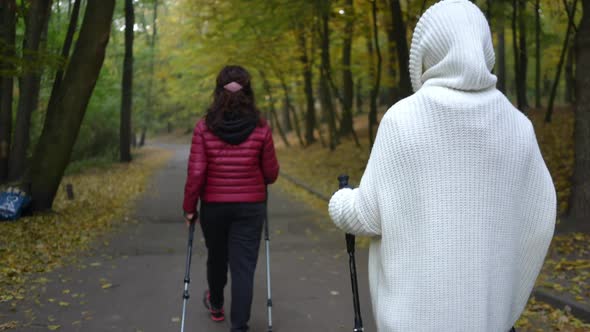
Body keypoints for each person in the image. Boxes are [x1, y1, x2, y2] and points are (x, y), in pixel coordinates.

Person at [328, 1, 556, 331]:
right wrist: (508, 296)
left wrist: (341, 202)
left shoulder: (402, 120)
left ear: (427, 52)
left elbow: (367, 215)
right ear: (483, 48)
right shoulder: (518, 126)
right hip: (489, 320)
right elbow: (539, 215)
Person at [182, 65, 279, 332]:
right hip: (250, 207)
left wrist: (189, 208)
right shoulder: (261, 127)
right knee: (243, 267)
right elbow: (271, 174)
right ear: (248, 92)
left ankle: (216, 304)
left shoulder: (204, 127)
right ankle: (239, 326)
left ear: (217, 92)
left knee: (217, 256)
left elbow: (197, 172)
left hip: (214, 207)